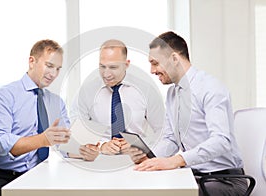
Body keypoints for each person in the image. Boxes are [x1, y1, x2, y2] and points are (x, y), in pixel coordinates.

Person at [128, 31, 248, 195]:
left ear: (175, 59)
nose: (152, 70)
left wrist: (176, 160)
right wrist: (149, 158)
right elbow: (170, 139)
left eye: (155, 63)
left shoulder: (210, 88)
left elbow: (222, 141)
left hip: (225, 181)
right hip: (196, 176)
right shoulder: (172, 94)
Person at [0, 39, 71, 196]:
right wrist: (42, 140)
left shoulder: (56, 102)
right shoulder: (4, 96)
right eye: (49, 66)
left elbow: (65, 145)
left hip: (33, 177)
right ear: (32, 61)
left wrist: (85, 150)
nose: (53, 74)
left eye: (58, 69)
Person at [71, 39, 165, 161]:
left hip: (137, 161)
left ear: (126, 64)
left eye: (113, 67)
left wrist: (140, 147)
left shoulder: (146, 90)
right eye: (102, 66)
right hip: (99, 161)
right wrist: (101, 146)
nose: (106, 74)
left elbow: (163, 131)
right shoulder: (86, 92)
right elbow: (74, 131)